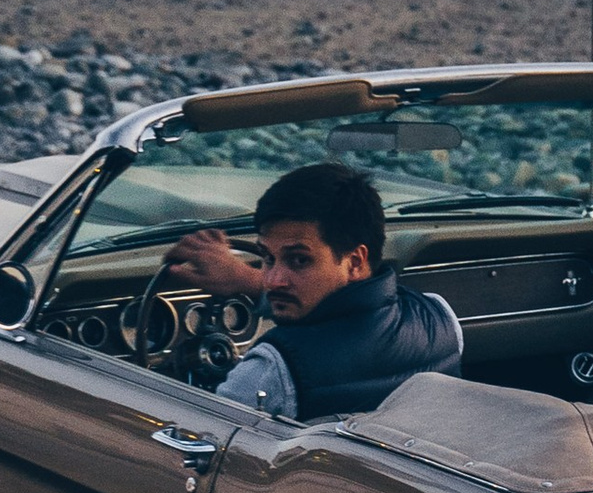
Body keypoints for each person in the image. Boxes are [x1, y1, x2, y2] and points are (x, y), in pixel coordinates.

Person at [164, 159, 462, 422]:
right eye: (268, 258)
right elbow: (350, 317)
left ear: (354, 261)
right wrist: (245, 279)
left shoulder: (273, 369)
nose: (273, 280)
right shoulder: (440, 319)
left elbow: (200, 449)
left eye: (299, 260)